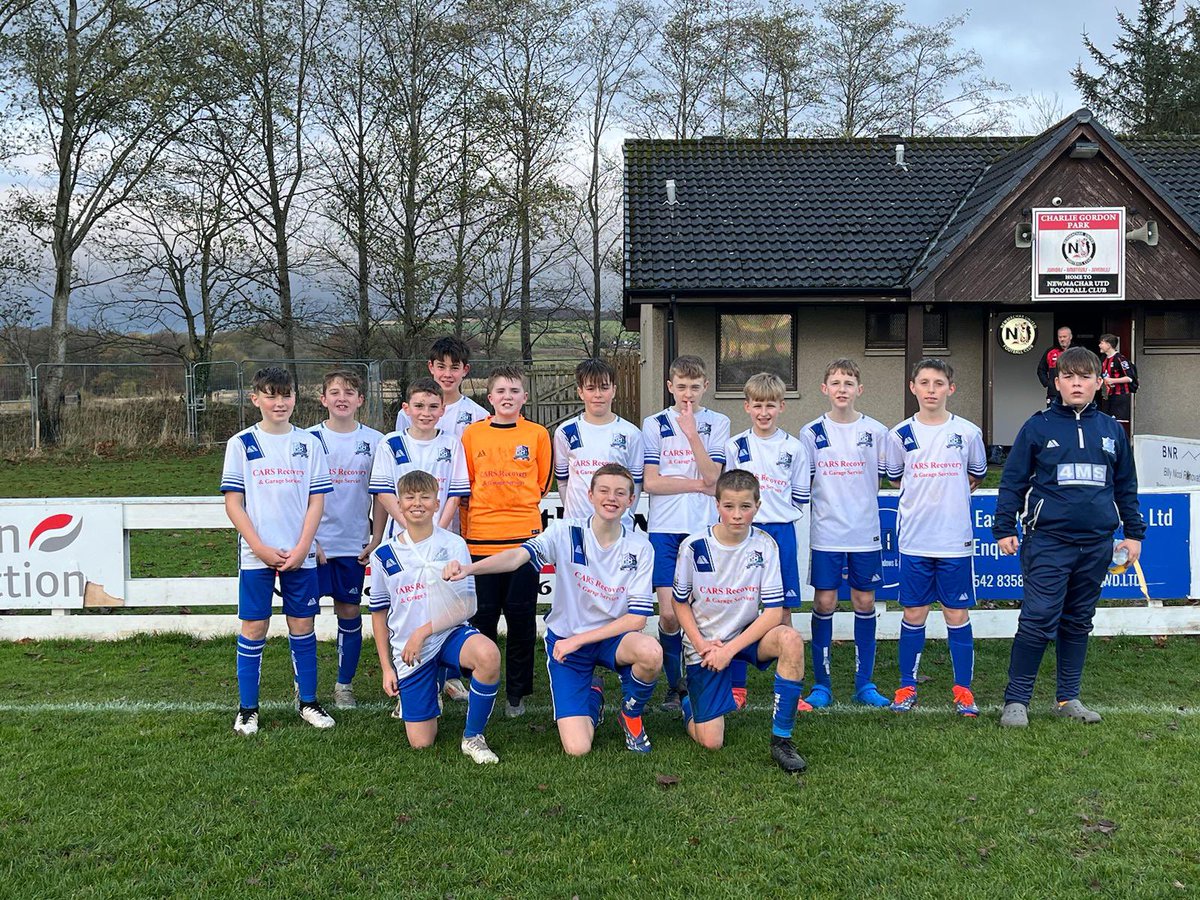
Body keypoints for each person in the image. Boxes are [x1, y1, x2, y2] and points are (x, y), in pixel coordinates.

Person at [445, 464, 662, 755]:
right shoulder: (565, 531)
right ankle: (593, 696)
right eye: (604, 491)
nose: (612, 498)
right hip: (567, 642)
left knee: (651, 652)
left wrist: (580, 640)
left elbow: (637, 619)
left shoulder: (640, 547)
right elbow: (516, 557)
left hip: (610, 639)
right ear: (590, 495)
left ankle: (631, 715)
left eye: (620, 493)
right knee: (578, 748)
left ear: (631, 500)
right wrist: (468, 569)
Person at [993, 346, 1145, 727]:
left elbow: (1126, 486)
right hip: (1048, 542)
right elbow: (1012, 482)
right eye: (1069, 377)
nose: (1077, 383)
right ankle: (1016, 701)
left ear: (1099, 382)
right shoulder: (1037, 427)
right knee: (1038, 618)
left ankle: (1068, 698)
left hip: (1096, 544)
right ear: (1057, 382)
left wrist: (1134, 534)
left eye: (1085, 377)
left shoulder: (1111, 430)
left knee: (1078, 620)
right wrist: (1004, 527)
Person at [672, 469, 809, 773]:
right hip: (706, 642)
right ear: (717, 505)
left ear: (757, 506)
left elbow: (773, 612)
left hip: (745, 636)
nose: (737, 515)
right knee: (711, 742)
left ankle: (782, 741)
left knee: (790, 638)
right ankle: (687, 698)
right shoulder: (694, 546)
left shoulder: (765, 545)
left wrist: (729, 650)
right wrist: (702, 645)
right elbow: (679, 603)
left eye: (745, 506)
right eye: (729, 506)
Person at [221, 366, 334, 736]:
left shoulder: (309, 443)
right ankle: (247, 709)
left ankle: (308, 702)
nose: (279, 403)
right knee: (255, 626)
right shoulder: (241, 443)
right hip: (257, 555)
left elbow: (316, 501)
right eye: (271, 396)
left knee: (303, 625)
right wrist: (258, 546)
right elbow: (234, 503)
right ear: (256, 399)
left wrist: (303, 547)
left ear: (295, 398)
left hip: (299, 554)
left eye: (286, 395)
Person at [368, 471, 502, 763]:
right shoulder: (383, 555)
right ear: (399, 504)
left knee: (488, 654)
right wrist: (387, 668)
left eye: (425, 497)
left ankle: (473, 737)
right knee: (421, 743)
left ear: (437, 503)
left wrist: (422, 632)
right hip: (409, 650)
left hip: (448, 633)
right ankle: (429, 685)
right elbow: (378, 613)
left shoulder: (453, 544)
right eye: (410, 497)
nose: (417, 503)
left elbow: (466, 606)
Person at [883, 358, 988, 716]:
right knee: (914, 612)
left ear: (950, 389)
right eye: (924, 383)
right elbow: (896, 477)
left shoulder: (968, 432)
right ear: (912, 387)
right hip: (915, 538)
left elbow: (976, 474)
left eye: (938, 383)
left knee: (956, 613)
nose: (931, 390)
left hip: (954, 539)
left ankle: (964, 691)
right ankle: (906, 687)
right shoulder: (899, 434)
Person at [459, 365, 553, 718]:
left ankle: (517, 693)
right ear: (490, 397)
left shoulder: (537, 434)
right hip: (481, 540)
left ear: (524, 397)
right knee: (482, 620)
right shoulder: (472, 435)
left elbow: (542, 484)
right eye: (501, 391)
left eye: (514, 391)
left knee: (521, 619)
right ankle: (481, 685)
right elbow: (466, 484)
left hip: (523, 540)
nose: (507, 397)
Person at [799, 358, 892, 709]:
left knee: (864, 601)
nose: (842, 389)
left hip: (864, 531)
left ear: (859, 390)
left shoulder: (876, 432)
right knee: (824, 602)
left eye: (848, 383)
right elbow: (806, 480)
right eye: (836, 383)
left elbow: (886, 476)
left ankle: (864, 683)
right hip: (827, 531)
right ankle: (821, 684)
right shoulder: (811, 432)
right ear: (825, 389)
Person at [641, 355, 730, 711]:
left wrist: (692, 434)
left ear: (705, 386)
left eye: (694, 387)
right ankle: (673, 685)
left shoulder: (718, 422)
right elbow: (651, 483)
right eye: (681, 387)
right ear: (670, 387)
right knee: (668, 614)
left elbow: (715, 477)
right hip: (664, 529)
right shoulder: (654, 424)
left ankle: (699, 680)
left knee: (702, 611)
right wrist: (697, 484)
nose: (687, 394)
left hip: (703, 530)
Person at [723, 372, 811, 711]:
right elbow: (730, 493)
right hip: (744, 533)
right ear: (747, 406)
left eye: (770, 406)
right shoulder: (736, 446)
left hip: (780, 533)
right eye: (757, 405)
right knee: (738, 607)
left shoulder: (794, 448)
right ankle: (737, 688)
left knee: (783, 610)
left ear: (781, 407)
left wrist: (777, 513)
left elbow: (800, 497)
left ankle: (789, 690)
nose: (764, 412)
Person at [308, 370, 385, 709]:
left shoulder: (376, 441)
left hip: (353, 543)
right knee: (303, 616)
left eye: (350, 392)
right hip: (314, 545)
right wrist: (310, 541)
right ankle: (303, 686)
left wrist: (376, 536)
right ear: (323, 399)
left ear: (360, 400)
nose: (342, 398)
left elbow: (381, 494)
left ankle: (344, 686)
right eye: (335, 392)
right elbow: (299, 495)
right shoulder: (308, 440)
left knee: (350, 610)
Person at [553, 358, 644, 528]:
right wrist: (573, 516)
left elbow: (636, 483)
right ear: (580, 392)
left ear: (614, 390)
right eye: (590, 388)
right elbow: (563, 482)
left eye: (604, 387)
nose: (598, 395)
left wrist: (626, 516)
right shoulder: (565, 432)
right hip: (577, 526)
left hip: (617, 527)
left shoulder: (631, 433)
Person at [395, 335, 489, 435]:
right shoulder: (408, 413)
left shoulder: (479, 415)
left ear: (465, 370)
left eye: (454, 368)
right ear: (431, 367)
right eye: (441, 367)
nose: (447, 374)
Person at [1098, 333, 1134, 438]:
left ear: (1109, 345)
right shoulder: (1103, 359)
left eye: (1102, 343)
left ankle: (1121, 444)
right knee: (1106, 423)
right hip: (1108, 396)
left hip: (1120, 397)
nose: (1099, 345)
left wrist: (1112, 380)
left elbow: (1130, 378)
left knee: (1118, 424)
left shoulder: (1120, 359)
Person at [1037, 326, 1073, 404]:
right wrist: (1048, 383)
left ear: (1070, 337)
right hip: (1054, 394)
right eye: (1060, 337)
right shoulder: (1051, 352)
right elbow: (1041, 369)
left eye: (1064, 337)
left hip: (1072, 393)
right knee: (1053, 411)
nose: (1062, 339)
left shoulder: (1077, 352)